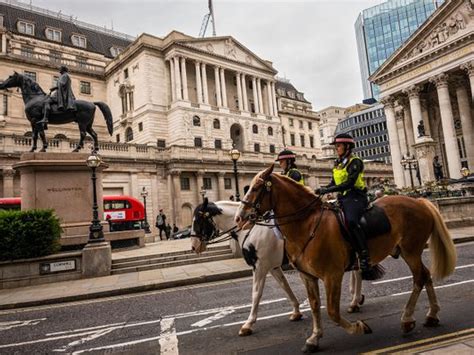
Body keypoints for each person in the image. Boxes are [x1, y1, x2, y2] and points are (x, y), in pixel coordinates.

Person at [315, 133, 377, 280]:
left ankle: (364, 255)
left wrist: (327, 190)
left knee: (351, 221)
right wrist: (320, 190)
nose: (336, 149)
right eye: (336, 146)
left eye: (339, 146)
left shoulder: (355, 162)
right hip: (343, 198)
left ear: (347, 147)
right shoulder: (337, 163)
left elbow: (349, 183)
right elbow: (334, 183)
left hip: (356, 197)